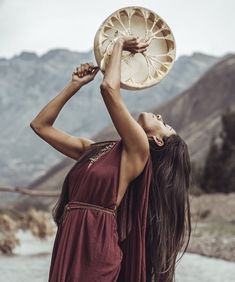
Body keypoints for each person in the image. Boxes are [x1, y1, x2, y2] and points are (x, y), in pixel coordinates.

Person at [30, 36, 191, 282]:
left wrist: (118, 45)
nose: (160, 116)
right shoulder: (98, 150)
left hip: (96, 245)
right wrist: (74, 85)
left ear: (158, 141)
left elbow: (109, 89)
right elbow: (41, 126)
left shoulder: (139, 151)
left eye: (165, 124)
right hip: (71, 238)